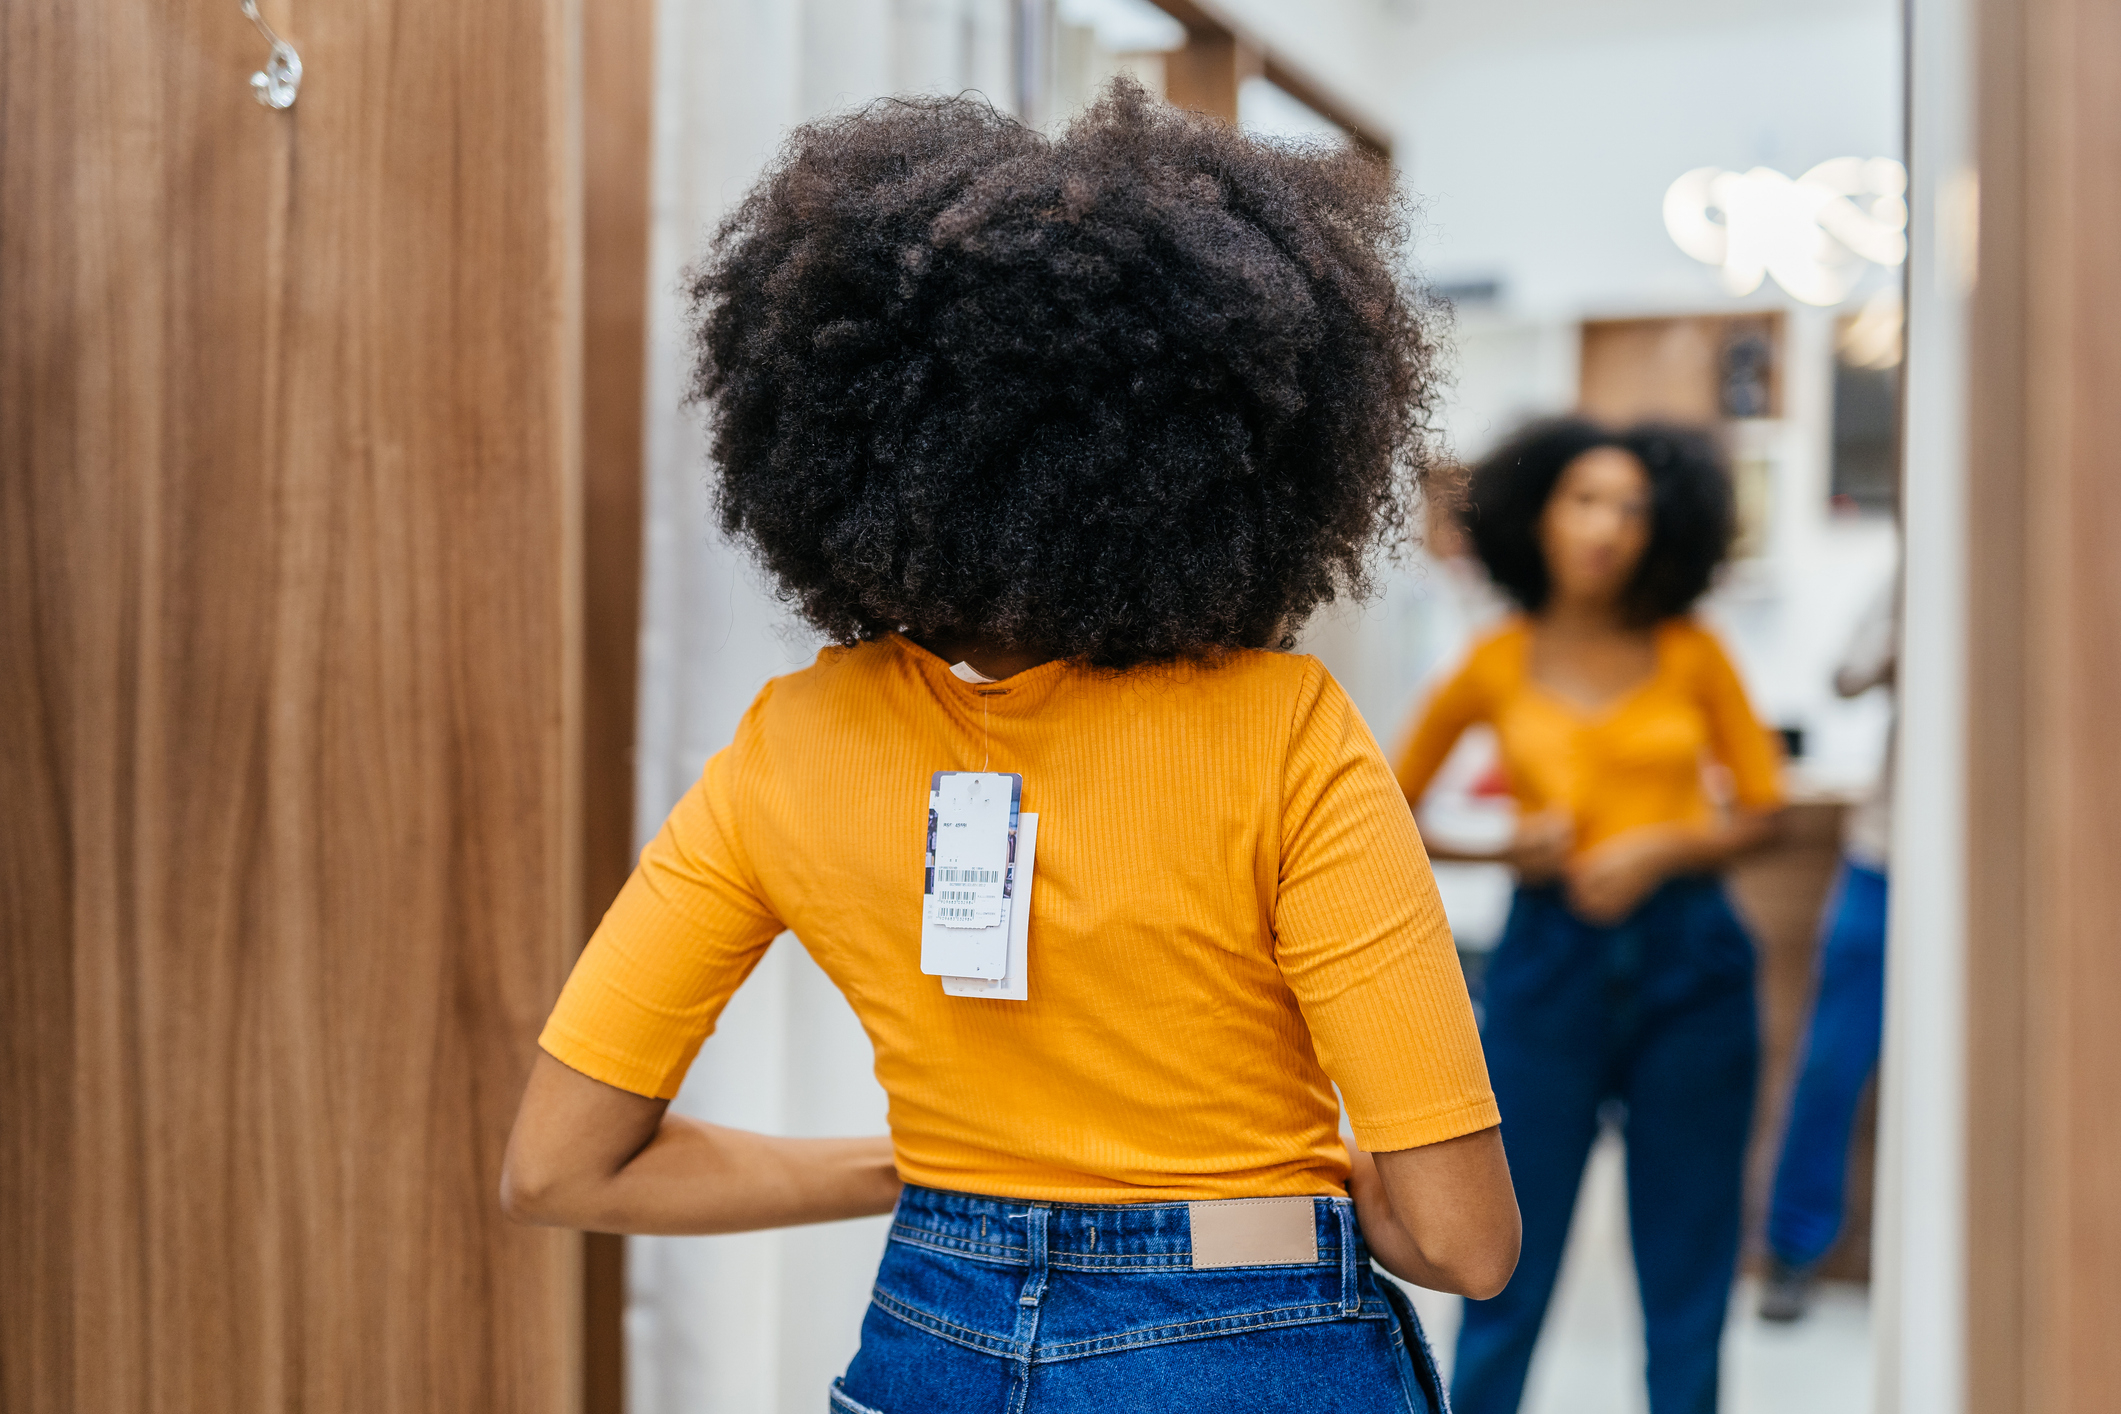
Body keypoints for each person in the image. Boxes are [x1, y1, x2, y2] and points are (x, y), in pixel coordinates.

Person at [500, 82, 1519, 1413]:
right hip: (1248, 1331)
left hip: (929, 1326)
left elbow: (562, 1168)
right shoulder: (1280, 728)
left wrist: (932, 1167)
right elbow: (1463, 1242)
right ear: (1227, 448)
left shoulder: (788, 744)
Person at [1392, 418, 1784, 1414]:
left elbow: (1764, 807)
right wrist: (1502, 848)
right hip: (1547, 967)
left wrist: (1659, 845)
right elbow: (1382, 808)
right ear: (1538, 517)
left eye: (1633, 506)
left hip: (1691, 966)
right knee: (1503, 1268)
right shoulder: (1493, 661)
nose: (1610, 526)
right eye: (1585, 499)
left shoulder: (1693, 652)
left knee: (1687, 1278)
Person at [1757, 574, 1897, 1322]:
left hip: (1991, 879)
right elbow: (1844, 677)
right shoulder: (1917, 578)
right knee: (1830, 1063)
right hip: (1884, 861)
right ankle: (1793, 1251)